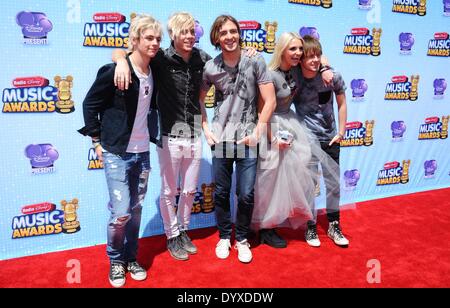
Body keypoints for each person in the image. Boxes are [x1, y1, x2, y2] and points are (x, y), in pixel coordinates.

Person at [113, 12, 211, 261]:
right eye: (184, 32)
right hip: (168, 135)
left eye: (192, 31)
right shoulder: (161, 58)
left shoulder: (202, 58)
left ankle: (185, 230)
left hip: (194, 134)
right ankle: (172, 235)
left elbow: (227, 62)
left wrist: (250, 53)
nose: (189, 36)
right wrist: (121, 61)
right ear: (173, 34)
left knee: (189, 190)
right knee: (169, 191)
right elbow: (124, 54)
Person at [78, 14, 162, 287]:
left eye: (158, 38)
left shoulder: (155, 68)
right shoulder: (115, 70)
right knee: (121, 212)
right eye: (149, 38)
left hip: (143, 152)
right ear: (135, 41)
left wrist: (121, 56)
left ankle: (130, 257)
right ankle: (115, 260)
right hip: (116, 151)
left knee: (136, 210)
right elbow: (90, 104)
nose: (155, 43)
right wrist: (95, 141)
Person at [200, 15, 276, 263]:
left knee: (245, 193)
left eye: (233, 31)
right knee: (221, 192)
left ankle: (241, 239)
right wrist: (205, 127)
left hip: (248, 140)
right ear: (216, 37)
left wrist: (258, 131)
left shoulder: (255, 60)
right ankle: (224, 236)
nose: (229, 36)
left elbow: (270, 100)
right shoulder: (211, 67)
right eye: (224, 33)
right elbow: (199, 100)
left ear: (239, 34)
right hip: (221, 140)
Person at [252, 32, 339, 249]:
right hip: (272, 126)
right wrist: (272, 139)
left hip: (292, 125)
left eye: (300, 49)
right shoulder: (269, 74)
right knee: (269, 180)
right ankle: (265, 228)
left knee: (292, 178)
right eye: (293, 49)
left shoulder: (296, 70)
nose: (298, 53)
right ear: (282, 49)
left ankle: (278, 222)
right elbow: (262, 111)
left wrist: (326, 67)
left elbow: (319, 58)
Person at [293, 35, 349, 247]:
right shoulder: (294, 77)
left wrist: (341, 132)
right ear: (301, 60)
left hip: (331, 139)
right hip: (307, 141)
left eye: (318, 55)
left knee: (333, 184)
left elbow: (342, 103)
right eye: (310, 56)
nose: (315, 60)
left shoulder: (332, 76)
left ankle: (334, 225)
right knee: (309, 185)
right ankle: (310, 226)